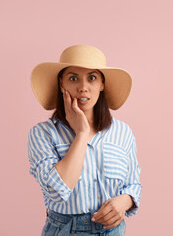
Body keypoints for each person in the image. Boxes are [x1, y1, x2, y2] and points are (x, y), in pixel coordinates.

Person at [28, 45, 142, 236]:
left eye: (92, 78)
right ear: (61, 84)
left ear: (102, 84)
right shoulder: (43, 134)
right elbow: (57, 191)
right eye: (73, 78)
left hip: (114, 231)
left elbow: (133, 184)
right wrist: (81, 133)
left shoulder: (123, 132)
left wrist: (125, 200)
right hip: (66, 230)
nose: (83, 87)